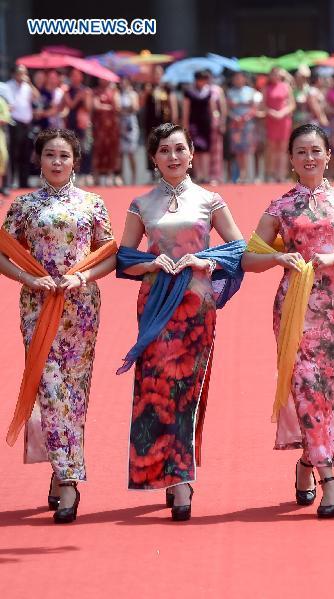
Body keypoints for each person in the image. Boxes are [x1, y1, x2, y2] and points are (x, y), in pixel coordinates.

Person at [242, 124, 334, 518]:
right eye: (301, 152)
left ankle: (307, 461)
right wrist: (278, 258)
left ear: (329, 155)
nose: (309, 158)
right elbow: (250, 258)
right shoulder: (280, 207)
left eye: (316, 150)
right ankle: (329, 477)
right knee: (304, 383)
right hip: (294, 306)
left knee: (331, 390)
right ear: (292, 160)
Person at [117, 123, 245, 521]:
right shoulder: (142, 204)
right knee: (155, 385)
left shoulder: (210, 201)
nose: (173, 157)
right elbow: (123, 257)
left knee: (187, 388)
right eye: (164, 151)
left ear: (192, 154)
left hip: (195, 304)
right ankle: (164, 473)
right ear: (153, 159)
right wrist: (151, 262)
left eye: (179, 149)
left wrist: (206, 261)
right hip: (155, 303)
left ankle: (182, 478)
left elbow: (240, 248)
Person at [0, 129, 117, 523]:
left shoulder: (92, 204)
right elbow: (4, 251)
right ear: (38, 160)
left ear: (75, 161)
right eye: (49, 155)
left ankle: (58, 469)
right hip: (38, 304)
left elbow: (109, 254)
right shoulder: (24, 206)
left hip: (80, 306)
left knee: (75, 389)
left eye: (64, 156)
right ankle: (70, 478)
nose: (56, 162)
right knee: (49, 387)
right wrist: (30, 279)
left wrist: (83, 277)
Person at [7, 65, 38, 189]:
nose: (23, 75)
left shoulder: (27, 87)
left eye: (25, 73)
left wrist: (30, 83)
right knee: (14, 153)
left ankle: (23, 181)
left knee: (26, 153)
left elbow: (37, 96)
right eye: (20, 73)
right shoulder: (8, 86)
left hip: (27, 124)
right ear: (14, 74)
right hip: (14, 123)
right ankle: (12, 180)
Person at [226, 71, 259, 183]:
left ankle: (251, 175)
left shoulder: (251, 91)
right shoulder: (230, 92)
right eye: (236, 78)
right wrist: (235, 117)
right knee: (238, 149)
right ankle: (242, 174)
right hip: (235, 124)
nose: (238, 80)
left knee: (249, 149)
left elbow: (254, 108)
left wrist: (246, 117)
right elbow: (227, 109)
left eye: (240, 78)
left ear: (244, 79)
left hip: (248, 124)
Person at [91, 79, 121, 186]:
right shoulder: (95, 92)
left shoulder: (114, 92)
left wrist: (113, 94)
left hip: (111, 126)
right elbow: (95, 106)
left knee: (111, 150)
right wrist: (108, 107)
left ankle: (110, 175)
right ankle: (97, 176)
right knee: (98, 149)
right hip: (99, 126)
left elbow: (117, 107)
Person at [119, 78, 141, 185]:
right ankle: (122, 178)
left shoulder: (132, 94)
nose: (123, 83)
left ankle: (133, 179)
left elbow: (135, 107)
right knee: (121, 153)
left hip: (131, 124)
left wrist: (123, 110)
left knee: (131, 152)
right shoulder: (118, 93)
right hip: (121, 124)